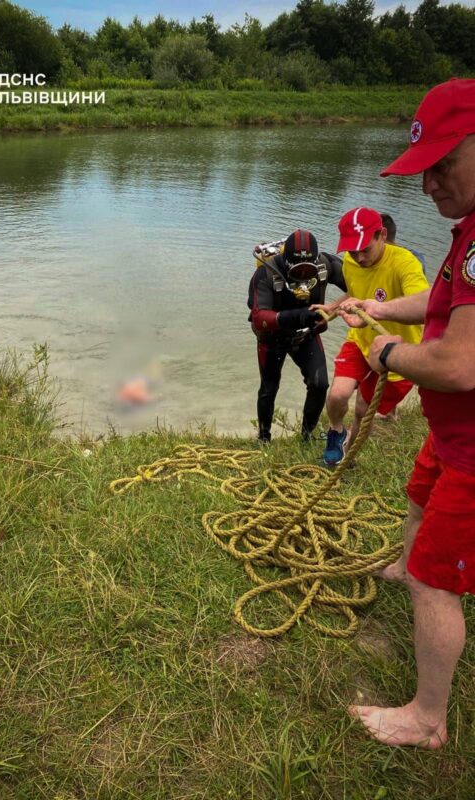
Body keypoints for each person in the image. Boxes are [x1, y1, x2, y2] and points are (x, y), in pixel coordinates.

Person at [339, 77, 475, 748]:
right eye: (422, 170)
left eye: (443, 163)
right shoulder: (469, 231)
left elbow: (460, 365)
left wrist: (387, 352)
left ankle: (426, 719)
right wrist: (381, 311)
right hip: (453, 437)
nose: (428, 185)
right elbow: (442, 303)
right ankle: (406, 564)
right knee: (416, 497)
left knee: (436, 583)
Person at [319, 207, 429, 466]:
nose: (358, 257)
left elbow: (427, 305)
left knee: (361, 411)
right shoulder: (350, 261)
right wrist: (333, 307)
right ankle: (336, 432)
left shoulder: (405, 263)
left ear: (382, 235)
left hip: (397, 352)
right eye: (351, 250)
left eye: (365, 249)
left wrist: (378, 309)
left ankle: (347, 458)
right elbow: (356, 292)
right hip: (361, 339)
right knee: (337, 395)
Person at [247, 229, 346, 443]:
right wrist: (299, 316)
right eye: (297, 270)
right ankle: (264, 438)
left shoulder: (325, 265)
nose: (302, 275)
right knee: (269, 388)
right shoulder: (267, 272)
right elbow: (258, 316)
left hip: (306, 335)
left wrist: (334, 309)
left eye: (307, 270)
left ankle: (307, 436)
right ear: (285, 260)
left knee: (319, 385)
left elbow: (360, 283)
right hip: (272, 338)